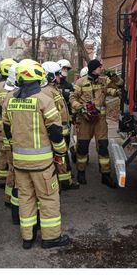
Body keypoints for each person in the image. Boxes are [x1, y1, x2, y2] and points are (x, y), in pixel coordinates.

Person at [2, 59, 70, 250]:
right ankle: (50, 238)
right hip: (42, 164)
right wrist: (61, 152)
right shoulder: (44, 100)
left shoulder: (9, 99)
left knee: (26, 198)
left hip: (19, 162)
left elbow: (7, 129)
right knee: (48, 198)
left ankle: (27, 237)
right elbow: (56, 132)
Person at [69, 59, 123, 187]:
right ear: (93, 68)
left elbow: (119, 85)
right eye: (99, 67)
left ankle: (106, 175)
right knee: (82, 147)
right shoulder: (80, 82)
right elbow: (72, 97)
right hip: (85, 120)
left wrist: (114, 77)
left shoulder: (104, 81)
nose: (101, 69)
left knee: (103, 147)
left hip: (100, 121)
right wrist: (80, 107)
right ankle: (81, 172)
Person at [41, 62, 80, 191]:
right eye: (57, 73)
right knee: (59, 157)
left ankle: (64, 180)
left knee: (61, 157)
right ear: (50, 76)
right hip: (57, 132)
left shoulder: (53, 88)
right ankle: (62, 181)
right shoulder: (47, 91)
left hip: (62, 130)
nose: (60, 76)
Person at [0, 58, 17, 192]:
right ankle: (4, 180)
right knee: (6, 153)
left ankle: (3, 179)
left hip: (3, 124)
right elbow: (3, 106)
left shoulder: (3, 83)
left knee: (5, 153)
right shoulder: (5, 85)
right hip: (5, 126)